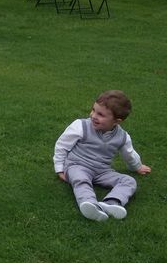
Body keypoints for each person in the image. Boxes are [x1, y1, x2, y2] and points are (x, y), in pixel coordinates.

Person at [53, 90, 151, 221]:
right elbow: (62, 146)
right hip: (77, 165)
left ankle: (111, 203)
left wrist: (137, 167)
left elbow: (129, 154)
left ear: (117, 121)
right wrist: (59, 168)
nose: (93, 115)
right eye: (93, 110)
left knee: (129, 181)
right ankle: (89, 204)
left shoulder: (122, 137)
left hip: (102, 171)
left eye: (100, 114)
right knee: (80, 179)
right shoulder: (80, 126)